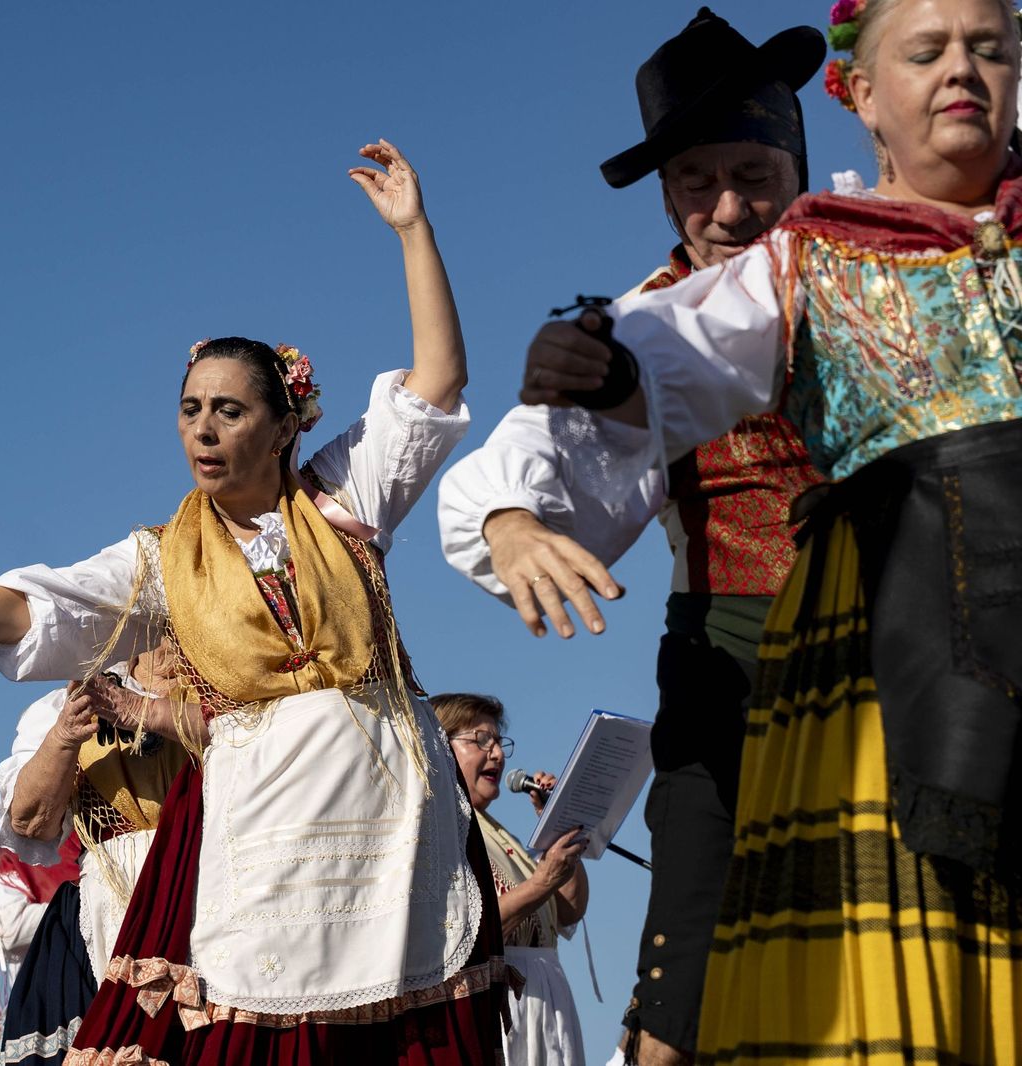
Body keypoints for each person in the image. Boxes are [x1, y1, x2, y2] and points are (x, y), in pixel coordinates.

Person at [0, 139, 513, 1065]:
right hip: (262, 828)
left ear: (286, 425)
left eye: (229, 410)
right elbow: (33, 606)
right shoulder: (164, 561)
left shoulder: (342, 504)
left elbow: (436, 384)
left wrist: (413, 232)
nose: (204, 430)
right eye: (189, 409)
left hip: (386, 817)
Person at [520, 0, 1022, 1060]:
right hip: (837, 642)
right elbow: (666, 366)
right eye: (925, 52)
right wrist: (530, 492)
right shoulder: (792, 269)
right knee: (717, 955)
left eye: (989, 48)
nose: (729, 207)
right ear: (863, 98)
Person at [437, 12, 826, 1065]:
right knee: (687, 951)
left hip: (905, 635)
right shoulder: (639, 325)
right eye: (698, 181)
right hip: (729, 648)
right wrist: (511, 522)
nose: (731, 207)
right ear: (664, 193)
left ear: (800, 162)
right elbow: (531, 451)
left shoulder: (866, 267)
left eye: (754, 172)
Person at [0, 646, 185, 1065]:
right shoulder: (71, 702)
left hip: (217, 889)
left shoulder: (235, 677)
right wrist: (63, 737)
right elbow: (31, 822)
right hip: (110, 910)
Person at [435, 693, 588, 1066]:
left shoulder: (503, 836)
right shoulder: (444, 828)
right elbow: (470, 930)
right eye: (480, 741)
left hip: (549, 1005)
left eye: (499, 742)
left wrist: (553, 828)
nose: (498, 754)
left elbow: (569, 911)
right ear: (440, 747)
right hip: (501, 1007)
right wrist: (541, 882)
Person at [0, 838, 82, 1066]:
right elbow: (7, 927)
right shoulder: (8, 862)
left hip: (84, 1005)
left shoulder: (83, 851)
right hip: (32, 1014)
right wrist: (70, 907)